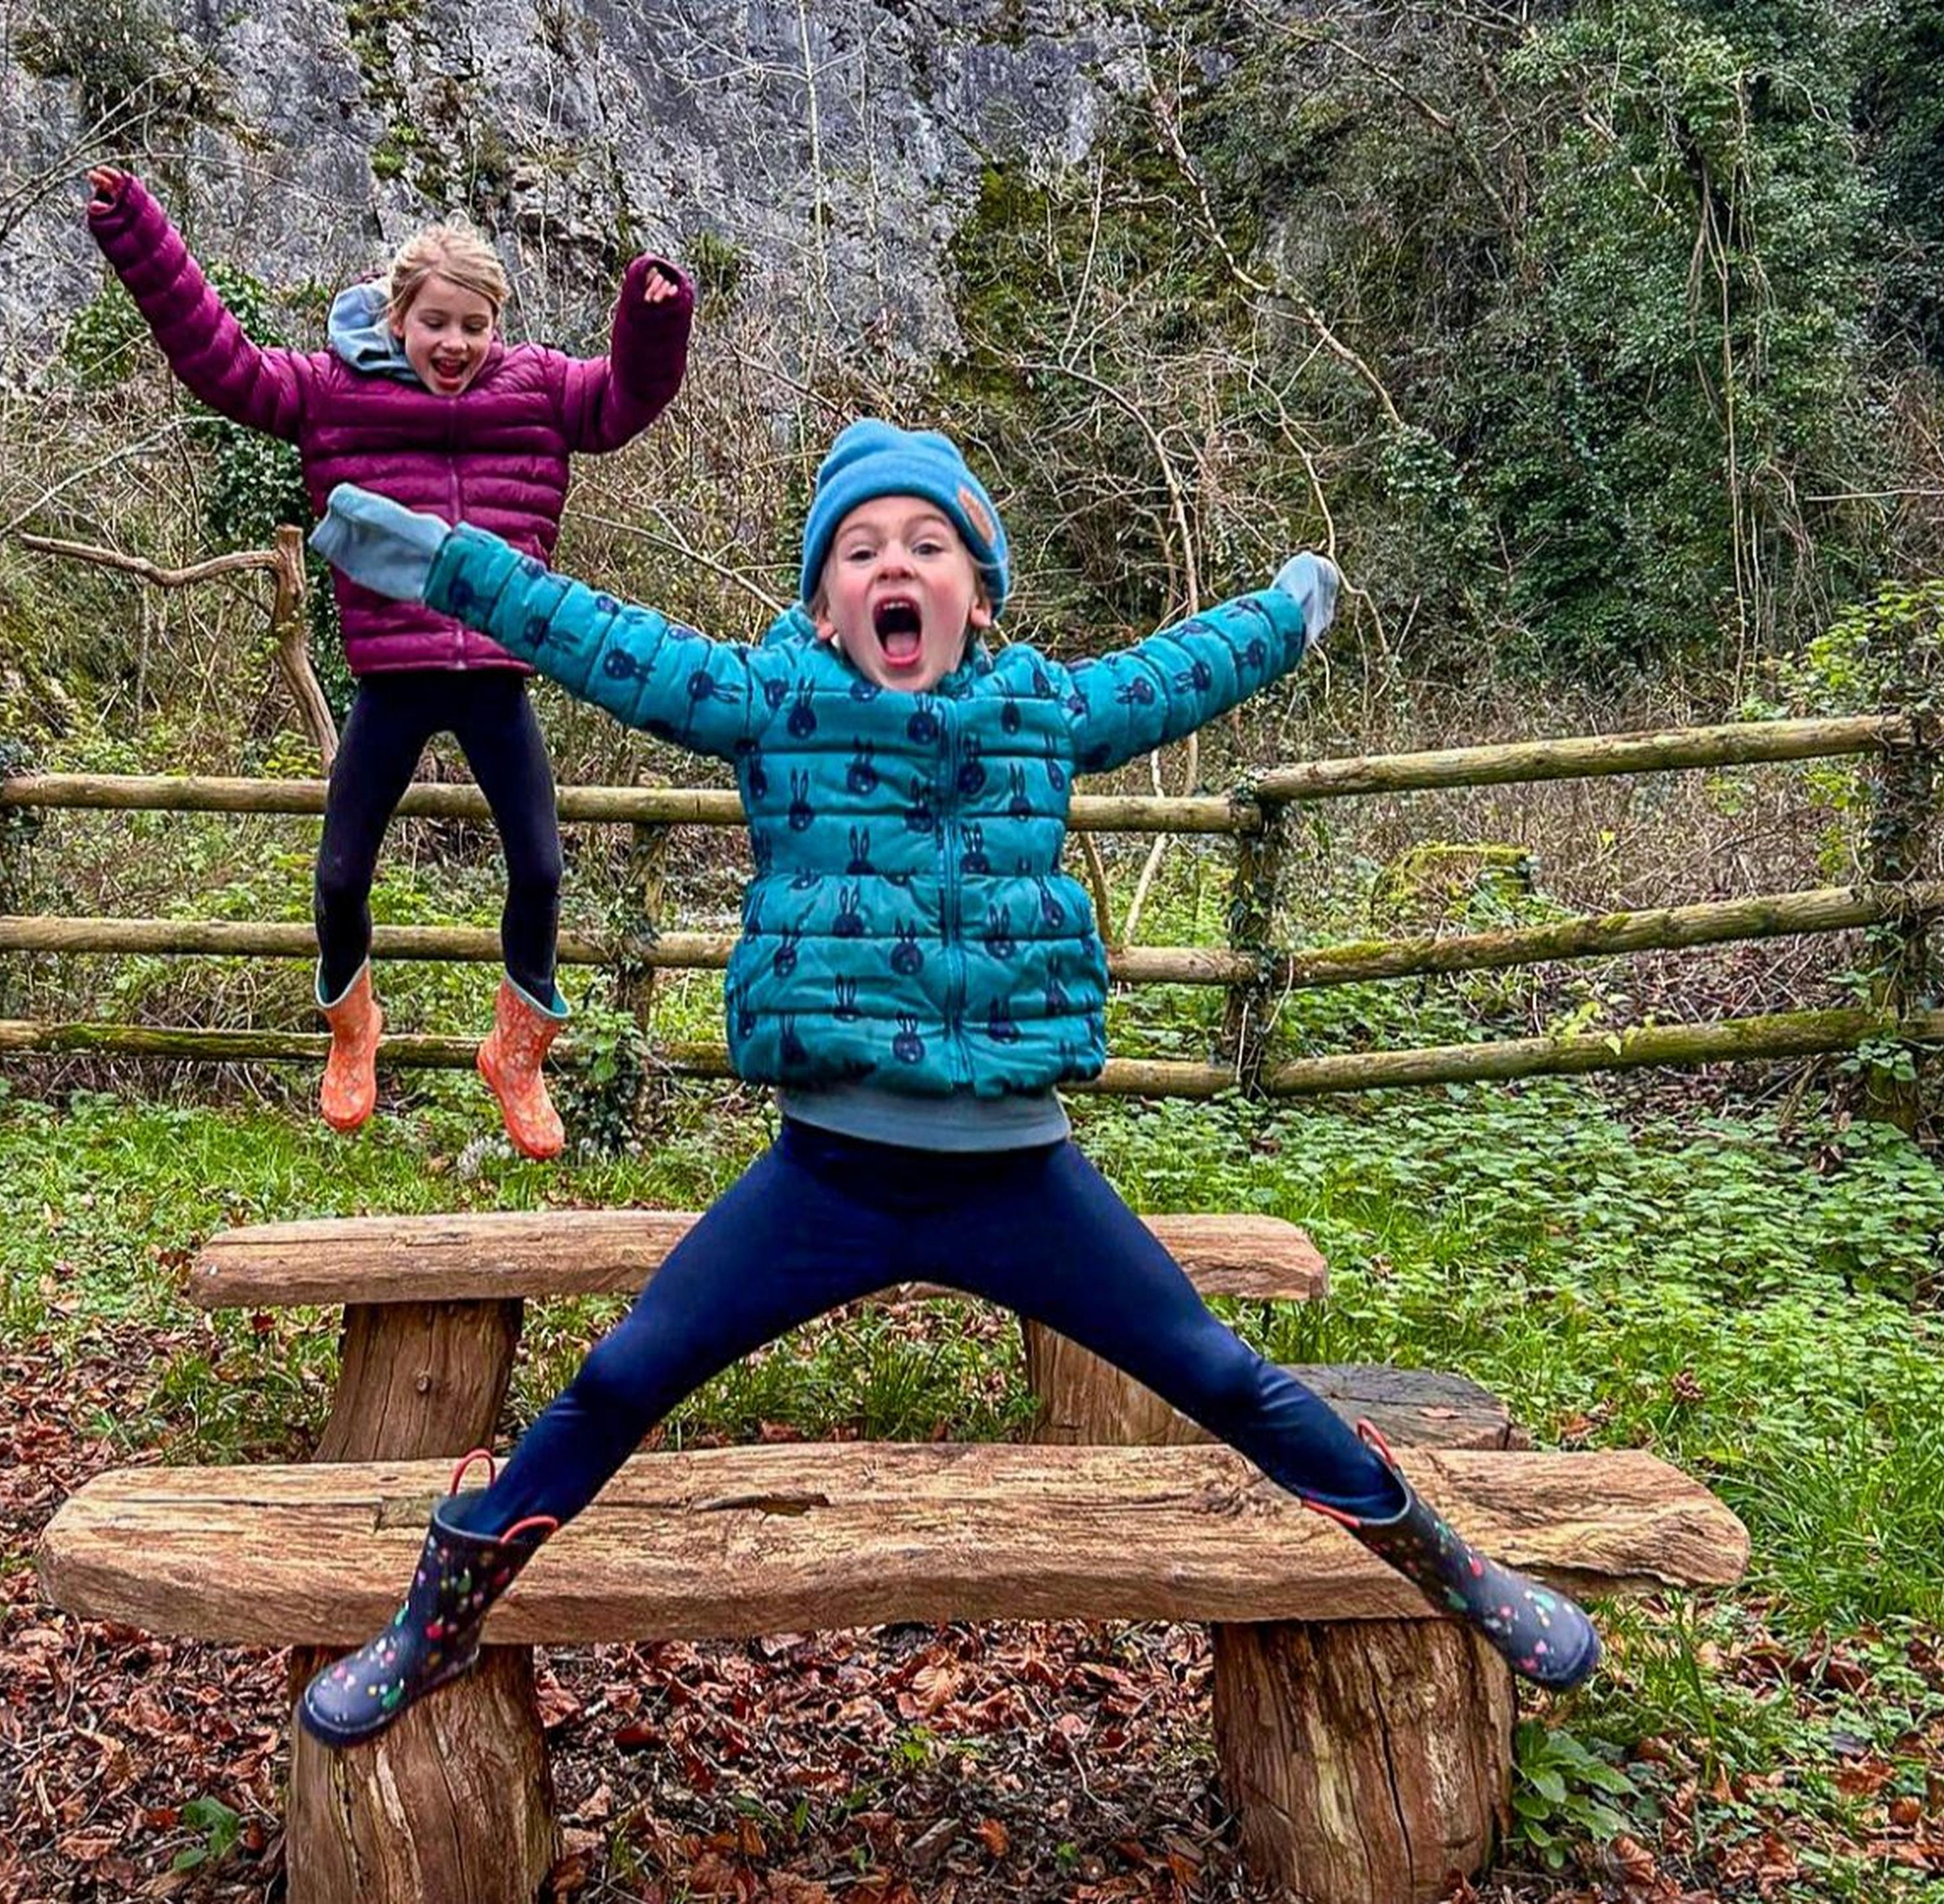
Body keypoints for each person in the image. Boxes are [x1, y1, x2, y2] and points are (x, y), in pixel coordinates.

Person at [292, 419, 1601, 1745]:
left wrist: (1285, 613)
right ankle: (437, 1623)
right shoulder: (772, 701)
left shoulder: (1045, 712)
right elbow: (597, 635)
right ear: (823, 603)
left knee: (1224, 1374)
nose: (892, 566)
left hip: (1020, 1177)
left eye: (928, 545)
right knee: (624, 1377)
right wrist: (448, 561)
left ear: (977, 591)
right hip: (831, 1176)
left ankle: (1454, 1573)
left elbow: (1181, 671)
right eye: (858, 551)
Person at [85, 167, 695, 1156]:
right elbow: (219, 362)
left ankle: (517, 1052)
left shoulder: (538, 387)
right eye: (435, 323)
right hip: (391, 678)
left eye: (473, 326)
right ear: (396, 315)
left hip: (499, 675)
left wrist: (654, 315)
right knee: (337, 879)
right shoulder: (332, 391)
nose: (454, 346)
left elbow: (626, 402)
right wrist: (139, 236)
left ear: (497, 324)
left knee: (541, 870)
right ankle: (354, 1028)